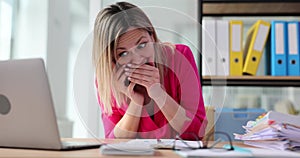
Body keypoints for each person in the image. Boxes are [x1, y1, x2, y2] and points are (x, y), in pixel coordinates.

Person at [93, 1, 207, 140]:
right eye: (123, 54)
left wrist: (158, 93)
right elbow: (113, 142)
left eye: (142, 45)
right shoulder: (109, 79)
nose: (137, 60)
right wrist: (136, 102)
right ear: (112, 60)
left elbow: (196, 133)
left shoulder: (179, 57)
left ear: (152, 36)